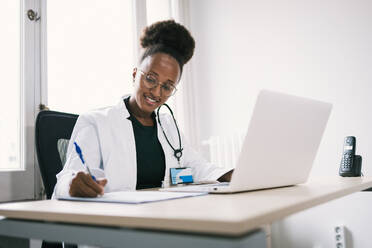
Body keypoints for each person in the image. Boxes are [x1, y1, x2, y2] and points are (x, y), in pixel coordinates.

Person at [53, 20, 233, 198]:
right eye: (150, 79)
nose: (156, 92)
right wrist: (72, 185)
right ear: (134, 75)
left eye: (167, 87)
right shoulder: (97, 122)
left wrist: (232, 175)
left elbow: (196, 166)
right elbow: (68, 177)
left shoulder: (168, 125)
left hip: (163, 212)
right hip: (117, 218)